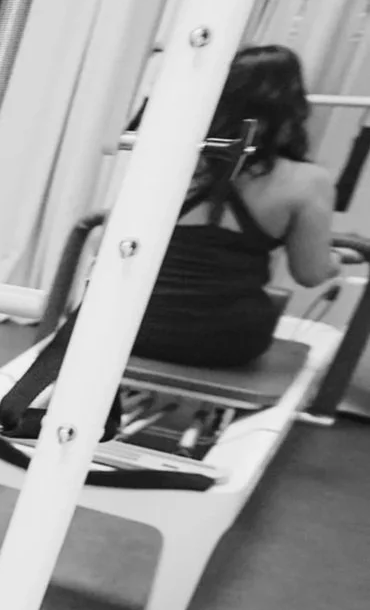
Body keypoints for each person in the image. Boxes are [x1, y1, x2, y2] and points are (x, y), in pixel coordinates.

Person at [136, 44, 342, 369]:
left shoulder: (168, 157)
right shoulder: (307, 181)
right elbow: (310, 274)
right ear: (291, 107)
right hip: (222, 342)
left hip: (128, 328)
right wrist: (335, 259)